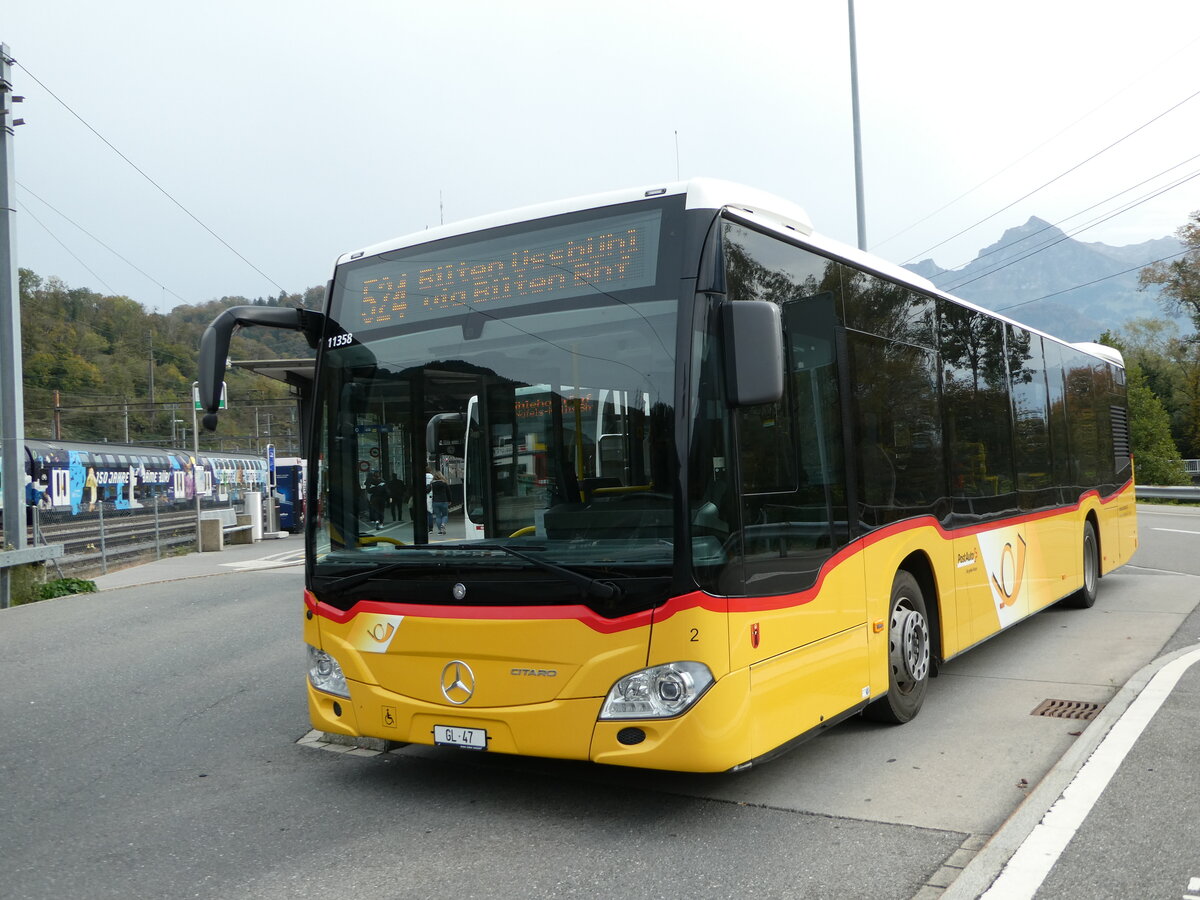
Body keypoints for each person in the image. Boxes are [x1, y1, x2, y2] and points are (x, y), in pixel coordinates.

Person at [430, 469, 451, 535]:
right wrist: (449, 500)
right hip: (444, 501)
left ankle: (440, 531)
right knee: (445, 515)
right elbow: (448, 492)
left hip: (435, 501)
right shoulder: (444, 483)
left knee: (438, 516)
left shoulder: (432, 484)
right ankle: (443, 524)